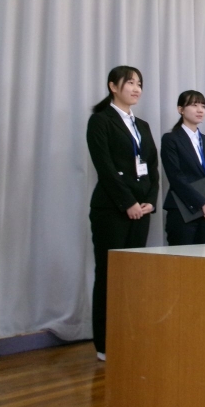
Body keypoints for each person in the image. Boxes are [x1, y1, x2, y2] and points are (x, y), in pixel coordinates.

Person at [86, 65, 159, 362]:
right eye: (130, 82)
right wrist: (127, 202)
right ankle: (105, 344)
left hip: (142, 211)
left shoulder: (142, 125)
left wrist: (150, 201)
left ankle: (129, 336)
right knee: (109, 275)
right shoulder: (100, 120)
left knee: (132, 277)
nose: (136, 88)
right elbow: (104, 167)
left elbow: (152, 167)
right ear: (113, 86)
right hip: (112, 210)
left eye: (139, 83)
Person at [160, 90, 205, 245]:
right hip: (183, 209)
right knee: (182, 257)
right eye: (194, 105)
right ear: (180, 109)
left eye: (203, 106)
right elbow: (175, 176)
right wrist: (203, 203)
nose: (200, 110)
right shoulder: (171, 139)